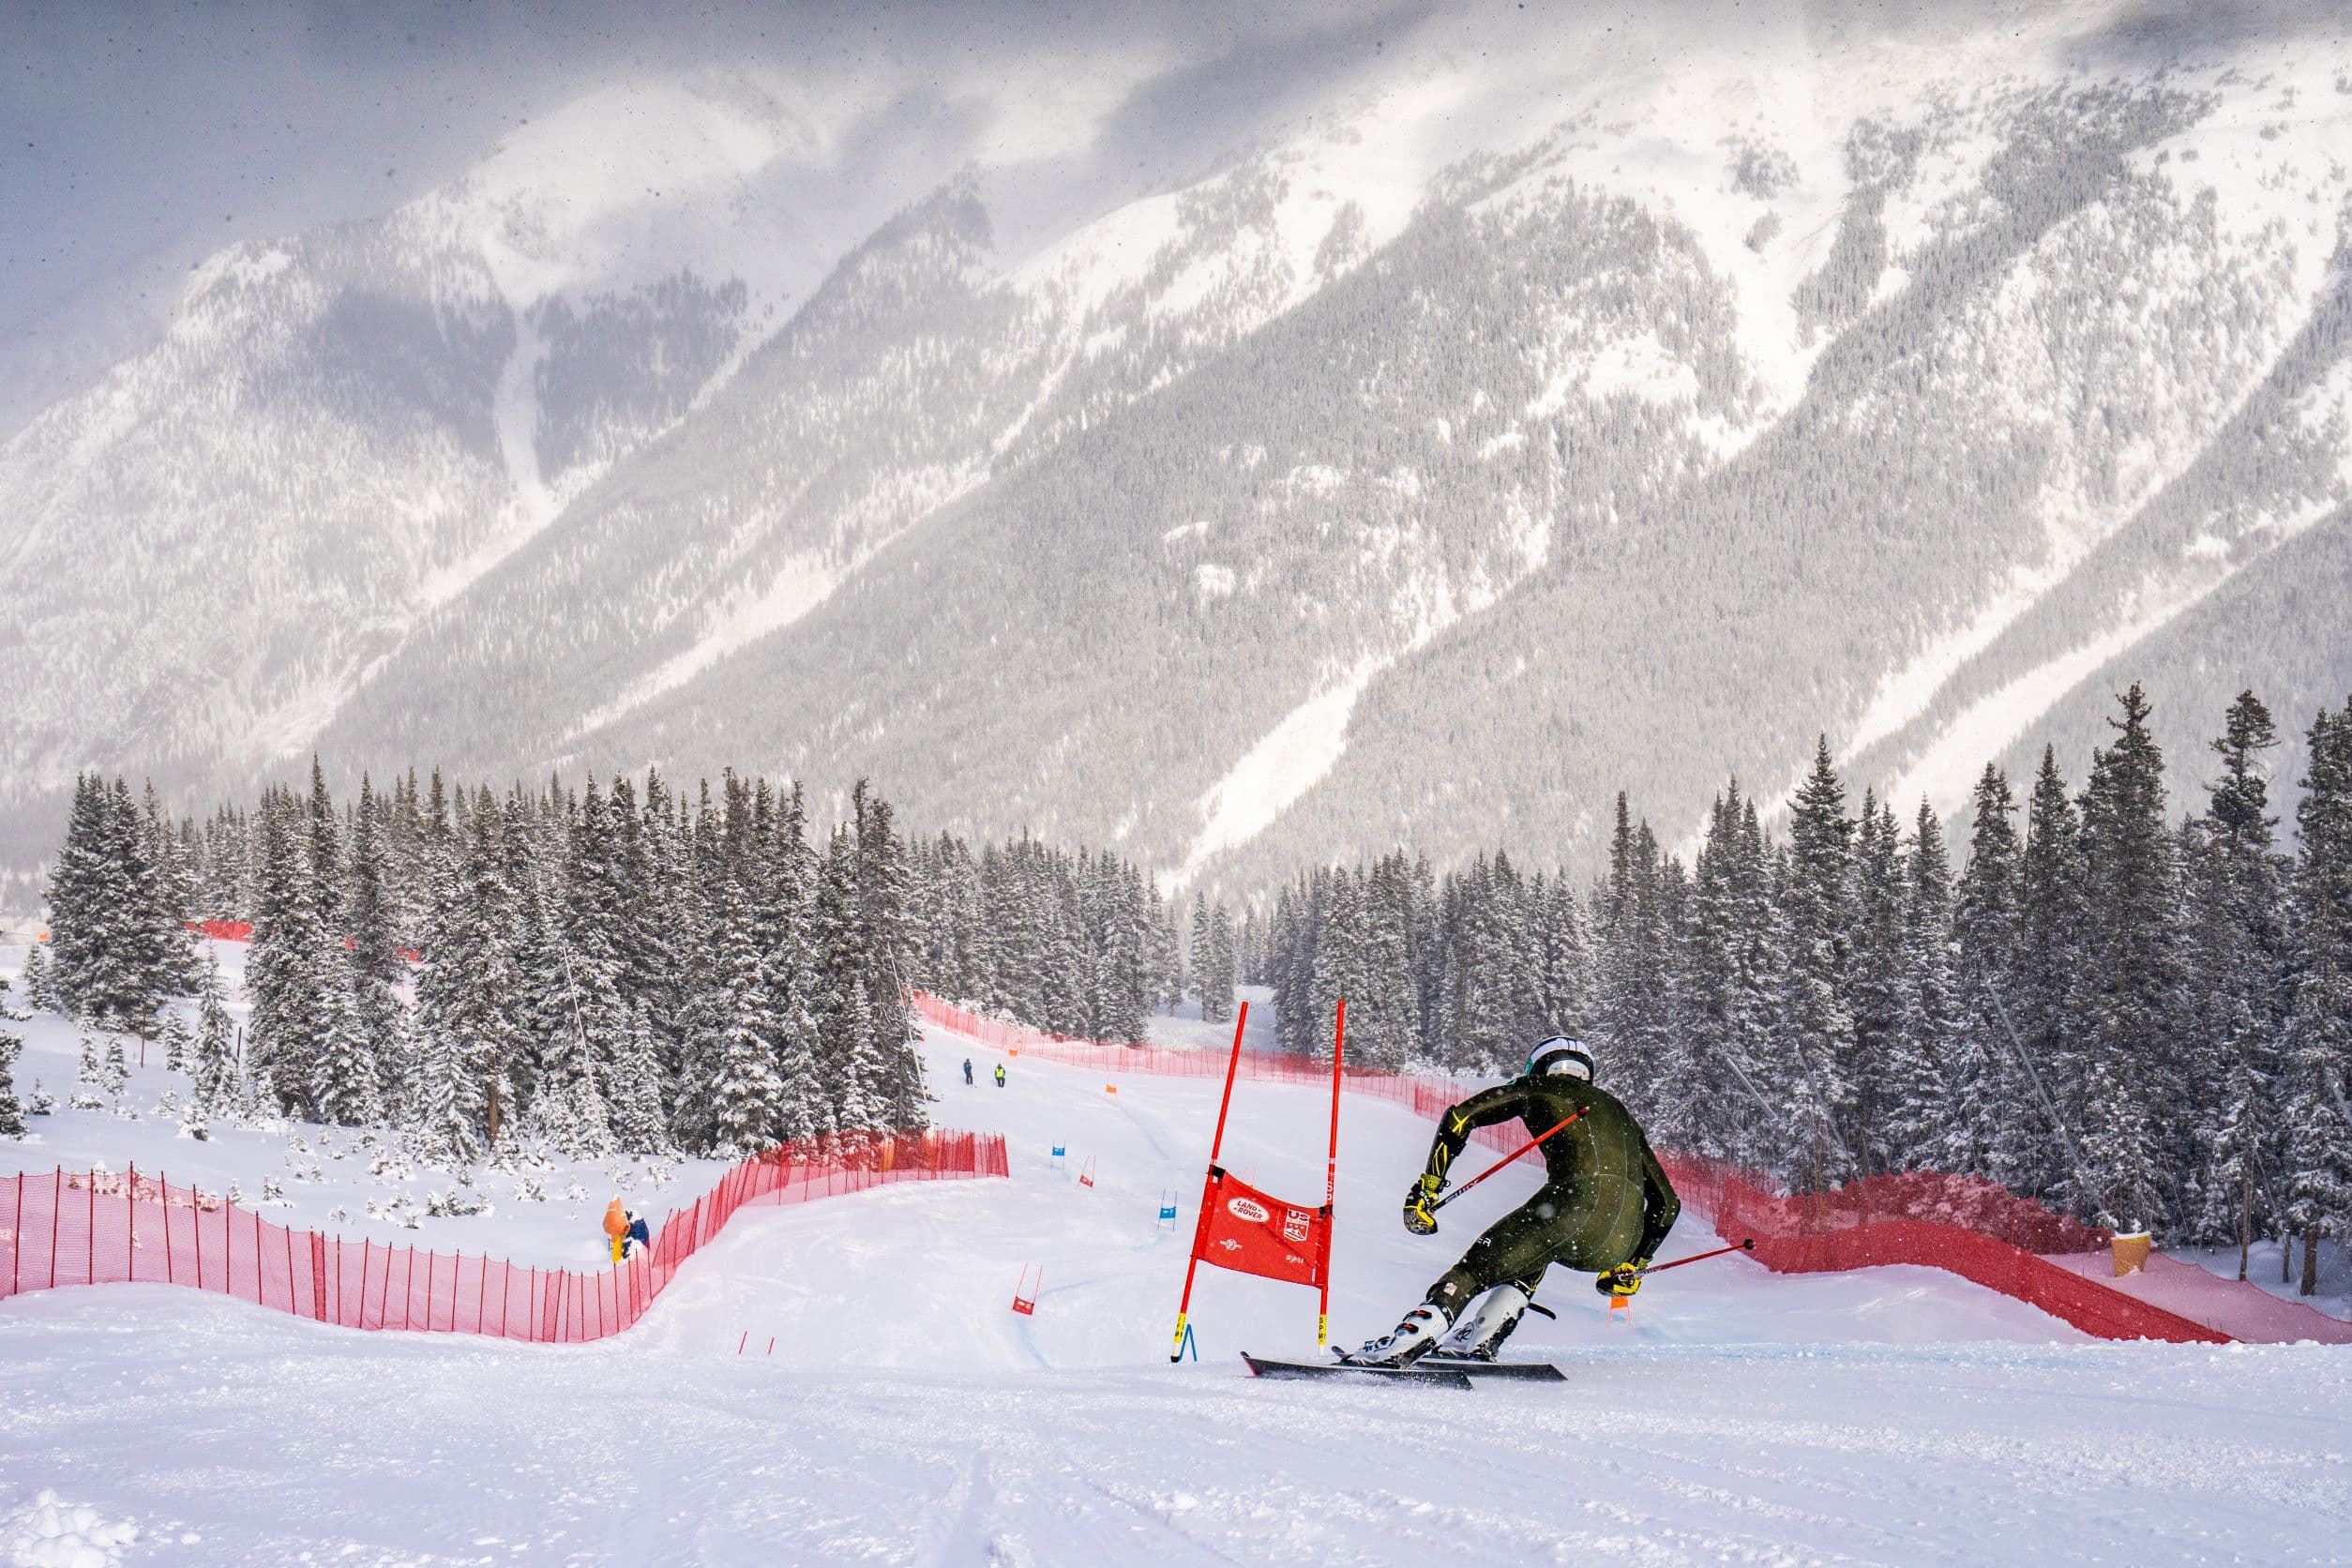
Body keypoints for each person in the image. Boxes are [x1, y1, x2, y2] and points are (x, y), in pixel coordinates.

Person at [1347, 1035, 1680, 1366]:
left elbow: (1460, 1118)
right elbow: (1667, 1203)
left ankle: (1408, 1340)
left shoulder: (1537, 1086)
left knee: (1475, 1269)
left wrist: (1427, 1188)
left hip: (1569, 1211)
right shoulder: (1621, 1114)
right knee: (1533, 1251)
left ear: (1539, 1066)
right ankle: (1483, 1337)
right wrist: (1633, 1264)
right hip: (1620, 1241)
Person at [602, 1198, 628, 1263]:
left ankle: (616, 1260)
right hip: (617, 1235)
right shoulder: (616, 1214)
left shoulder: (611, 1213)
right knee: (617, 1249)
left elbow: (604, 1224)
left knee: (616, 1248)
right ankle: (617, 1261)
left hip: (614, 1235)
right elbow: (625, 1225)